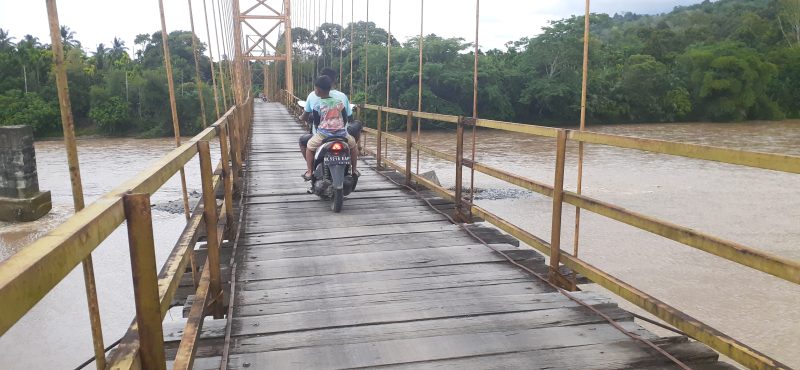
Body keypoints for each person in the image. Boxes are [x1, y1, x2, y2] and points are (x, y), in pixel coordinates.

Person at [298, 75, 359, 180]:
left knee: (309, 147)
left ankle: (309, 171)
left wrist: (321, 129)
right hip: (341, 134)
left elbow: (316, 122)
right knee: (353, 146)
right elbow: (345, 118)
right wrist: (339, 127)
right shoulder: (339, 103)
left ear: (317, 90)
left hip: (324, 135)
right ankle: (353, 170)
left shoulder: (317, 104)